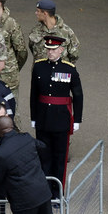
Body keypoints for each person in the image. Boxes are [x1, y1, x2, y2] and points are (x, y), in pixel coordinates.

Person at [28, 34, 82, 196]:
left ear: (61, 50)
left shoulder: (69, 69)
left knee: (60, 158)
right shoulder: (38, 67)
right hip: (43, 117)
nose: (50, 52)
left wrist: (77, 119)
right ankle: (44, 191)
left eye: (53, 49)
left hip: (61, 119)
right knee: (44, 156)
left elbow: (78, 95)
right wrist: (33, 117)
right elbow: (34, 94)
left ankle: (57, 192)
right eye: (48, 49)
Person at [27, 0, 80, 64]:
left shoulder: (66, 32)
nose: (36, 13)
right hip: (40, 71)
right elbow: (32, 48)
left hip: (59, 72)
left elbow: (74, 54)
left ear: (45, 13)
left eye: (38, 11)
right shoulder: (36, 30)